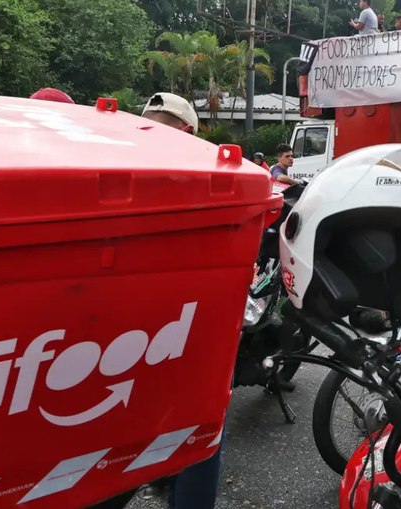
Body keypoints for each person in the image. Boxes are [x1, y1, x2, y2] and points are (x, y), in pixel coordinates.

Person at [137, 92, 222, 509]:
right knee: (197, 423)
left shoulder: (124, 166)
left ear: (185, 132)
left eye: (159, 124)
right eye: (148, 123)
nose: (151, 131)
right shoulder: (208, 173)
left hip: (163, 320)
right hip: (170, 321)